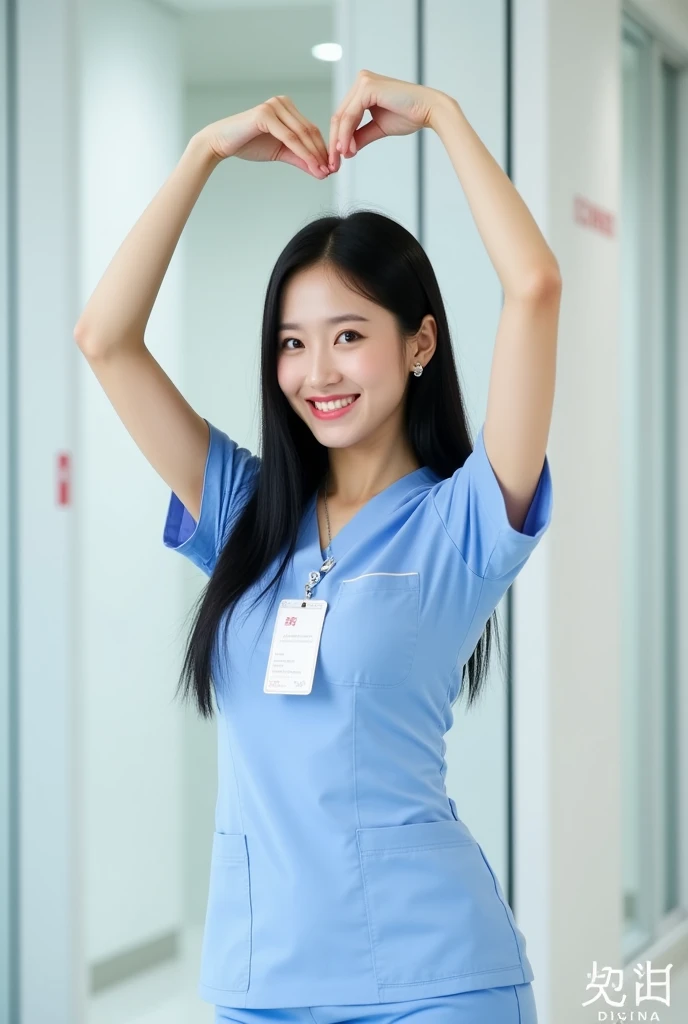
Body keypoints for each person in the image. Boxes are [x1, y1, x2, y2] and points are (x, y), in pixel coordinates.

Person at [75, 70, 559, 1024]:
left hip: (434, 979)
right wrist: (203, 152)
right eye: (293, 344)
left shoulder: (464, 519)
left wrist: (444, 118)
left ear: (419, 345)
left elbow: (535, 287)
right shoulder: (246, 511)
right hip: (262, 980)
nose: (318, 372)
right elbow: (106, 339)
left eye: (349, 336)